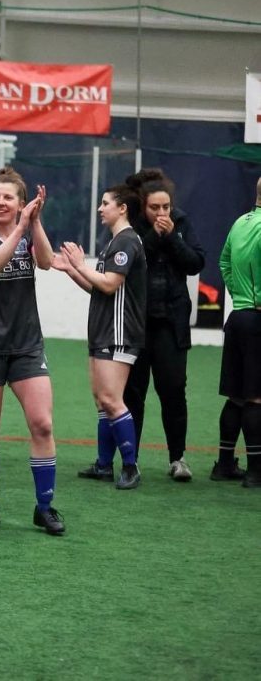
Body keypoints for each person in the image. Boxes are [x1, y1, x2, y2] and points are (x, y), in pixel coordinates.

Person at [0, 168, 64, 535]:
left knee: (42, 423)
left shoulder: (28, 233)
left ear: (22, 203)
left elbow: (45, 261)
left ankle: (45, 507)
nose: (1, 202)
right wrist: (21, 228)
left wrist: (33, 224)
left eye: (9, 197)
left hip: (26, 345)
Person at [53, 184, 147, 490]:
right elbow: (98, 288)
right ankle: (104, 464)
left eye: (105, 203)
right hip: (103, 331)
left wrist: (81, 265)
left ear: (122, 208)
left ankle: (130, 467)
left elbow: (109, 284)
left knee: (111, 399)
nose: (100, 208)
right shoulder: (114, 242)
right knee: (101, 400)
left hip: (119, 333)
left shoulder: (128, 241)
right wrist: (71, 270)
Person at [121, 169, 205, 482]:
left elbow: (195, 263)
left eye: (166, 207)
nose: (161, 213)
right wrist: (155, 237)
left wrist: (171, 237)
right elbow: (133, 261)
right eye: (155, 208)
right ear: (143, 206)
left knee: (173, 391)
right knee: (133, 393)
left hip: (172, 322)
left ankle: (178, 458)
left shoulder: (181, 223)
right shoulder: (131, 225)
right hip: (138, 323)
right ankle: (132, 460)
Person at [215, 177, 261, 487]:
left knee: (236, 396)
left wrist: (240, 294)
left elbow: (224, 262)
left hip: (239, 316)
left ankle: (225, 463)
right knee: (256, 398)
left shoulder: (240, 223)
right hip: (258, 320)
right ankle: (257, 472)